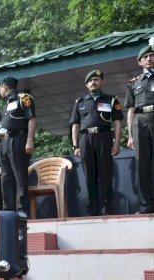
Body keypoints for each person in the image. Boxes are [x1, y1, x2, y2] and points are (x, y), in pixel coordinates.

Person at [70, 69, 123, 216]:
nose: (93, 82)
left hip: (104, 137)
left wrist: (117, 143)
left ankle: (108, 210)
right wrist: (75, 145)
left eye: (96, 79)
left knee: (106, 174)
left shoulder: (111, 99)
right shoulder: (80, 102)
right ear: (87, 84)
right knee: (89, 176)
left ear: (102, 82)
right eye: (90, 80)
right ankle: (93, 211)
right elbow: (75, 124)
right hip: (85, 139)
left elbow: (117, 122)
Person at [0, 76, 37, 216]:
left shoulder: (23, 98)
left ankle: (22, 212)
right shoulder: (7, 104)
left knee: (20, 177)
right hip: (5, 141)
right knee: (6, 178)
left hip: (19, 139)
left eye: (0, 88)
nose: (0, 91)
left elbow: (31, 119)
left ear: (5, 86)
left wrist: (30, 140)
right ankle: (9, 211)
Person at [126, 40, 154, 214]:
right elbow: (130, 110)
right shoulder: (133, 84)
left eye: (152, 56)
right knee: (142, 164)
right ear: (140, 61)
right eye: (146, 57)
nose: (149, 59)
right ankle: (146, 205)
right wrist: (129, 135)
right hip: (140, 121)